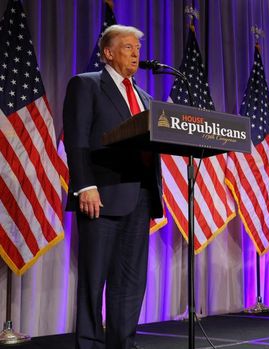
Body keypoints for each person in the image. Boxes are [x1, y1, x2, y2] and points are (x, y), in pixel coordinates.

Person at [63, 25, 163, 349]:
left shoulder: (146, 98)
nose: (136, 54)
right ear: (107, 52)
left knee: (130, 284)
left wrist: (155, 194)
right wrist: (84, 186)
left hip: (139, 198)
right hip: (101, 197)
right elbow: (77, 139)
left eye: (137, 48)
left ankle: (123, 344)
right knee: (94, 283)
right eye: (127, 47)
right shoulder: (87, 85)